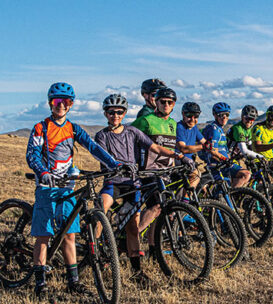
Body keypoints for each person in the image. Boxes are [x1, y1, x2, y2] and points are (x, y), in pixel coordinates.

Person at [25, 82, 123, 299]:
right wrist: (42, 173)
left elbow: (93, 147)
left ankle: (73, 281)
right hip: (47, 187)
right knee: (43, 236)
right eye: (57, 101)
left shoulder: (73, 128)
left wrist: (113, 163)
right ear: (50, 103)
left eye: (66, 102)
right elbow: (32, 155)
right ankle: (40, 284)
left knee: (69, 235)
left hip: (67, 186)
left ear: (71, 105)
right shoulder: (41, 127)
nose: (61, 105)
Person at [94, 93, 182, 286]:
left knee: (133, 228)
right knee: (102, 208)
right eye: (111, 112)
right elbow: (102, 157)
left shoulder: (132, 132)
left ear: (124, 113)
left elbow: (155, 147)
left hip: (132, 184)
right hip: (113, 182)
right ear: (105, 114)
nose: (115, 115)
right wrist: (117, 166)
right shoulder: (101, 135)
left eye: (119, 112)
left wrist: (178, 156)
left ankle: (137, 272)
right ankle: (95, 251)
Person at [131, 86, 182, 256]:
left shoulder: (172, 124)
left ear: (174, 104)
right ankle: (132, 236)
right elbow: (128, 135)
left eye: (170, 102)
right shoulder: (146, 120)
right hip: (148, 171)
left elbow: (170, 147)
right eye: (162, 101)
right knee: (156, 207)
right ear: (156, 102)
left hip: (165, 172)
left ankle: (153, 248)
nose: (166, 104)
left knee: (161, 212)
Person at [175, 101, 223, 190]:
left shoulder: (194, 128)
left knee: (202, 185)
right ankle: (186, 202)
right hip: (179, 162)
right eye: (189, 115)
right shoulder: (179, 127)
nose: (192, 119)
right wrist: (203, 147)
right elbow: (183, 149)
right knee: (195, 176)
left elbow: (208, 146)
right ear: (183, 114)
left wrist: (223, 158)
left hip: (189, 163)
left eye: (196, 116)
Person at [201, 102, 251, 187]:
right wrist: (225, 159)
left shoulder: (220, 130)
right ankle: (233, 195)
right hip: (217, 165)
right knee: (246, 174)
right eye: (221, 115)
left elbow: (225, 150)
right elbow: (213, 152)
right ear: (215, 115)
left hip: (224, 164)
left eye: (227, 115)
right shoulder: (214, 130)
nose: (224, 117)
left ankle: (231, 196)